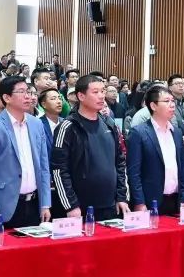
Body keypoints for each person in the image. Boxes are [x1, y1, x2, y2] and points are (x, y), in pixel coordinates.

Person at [0, 76, 52, 227]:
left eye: (29, 92)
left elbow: (43, 166)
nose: (28, 96)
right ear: (7, 98)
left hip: (34, 203)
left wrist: (45, 203)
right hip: (4, 206)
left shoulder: (36, 124)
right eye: (21, 92)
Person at [51, 75, 129, 220]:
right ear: (81, 96)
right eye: (95, 92)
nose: (101, 96)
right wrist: (70, 205)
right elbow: (59, 169)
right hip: (80, 207)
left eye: (103, 91)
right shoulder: (68, 127)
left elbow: (120, 163)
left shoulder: (110, 124)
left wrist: (122, 197)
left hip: (111, 204)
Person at [127, 85, 184, 215]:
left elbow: (183, 168)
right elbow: (134, 173)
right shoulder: (139, 132)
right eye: (166, 101)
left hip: (176, 201)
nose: (172, 105)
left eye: (173, 101)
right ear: (153, 106)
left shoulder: (176, 132)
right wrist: (139, 202)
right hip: (150, 201)